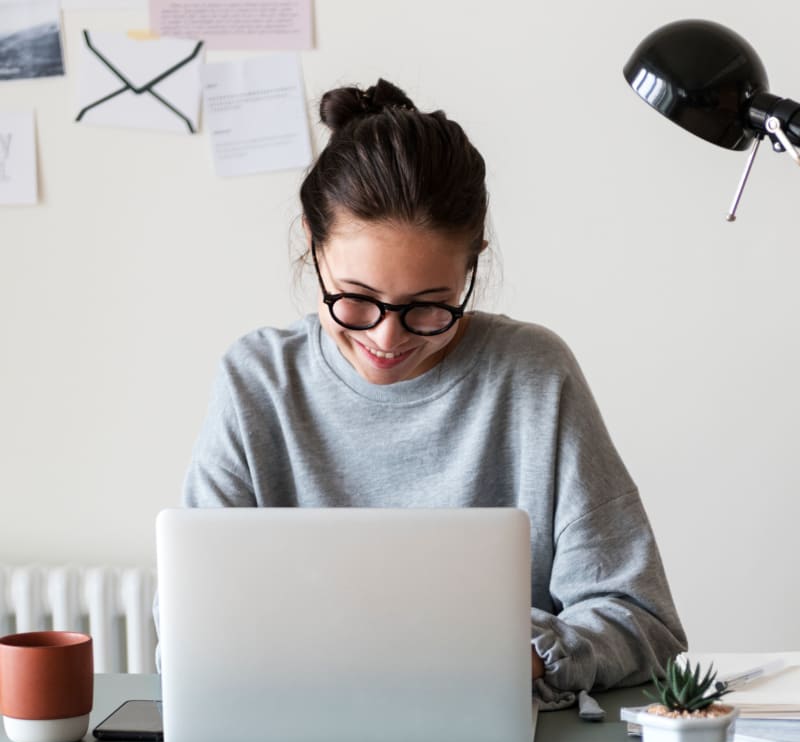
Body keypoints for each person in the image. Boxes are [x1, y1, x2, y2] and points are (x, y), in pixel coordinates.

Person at [177, 78, 686, 709]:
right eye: (355, 299)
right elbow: (189, 625)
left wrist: (519, 655)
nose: (387, 337)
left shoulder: (533, 376)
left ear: (470, 270)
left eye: (429, 307)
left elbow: (645, 623)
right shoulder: (257, 382)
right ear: (312, 245)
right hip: (291, 741)